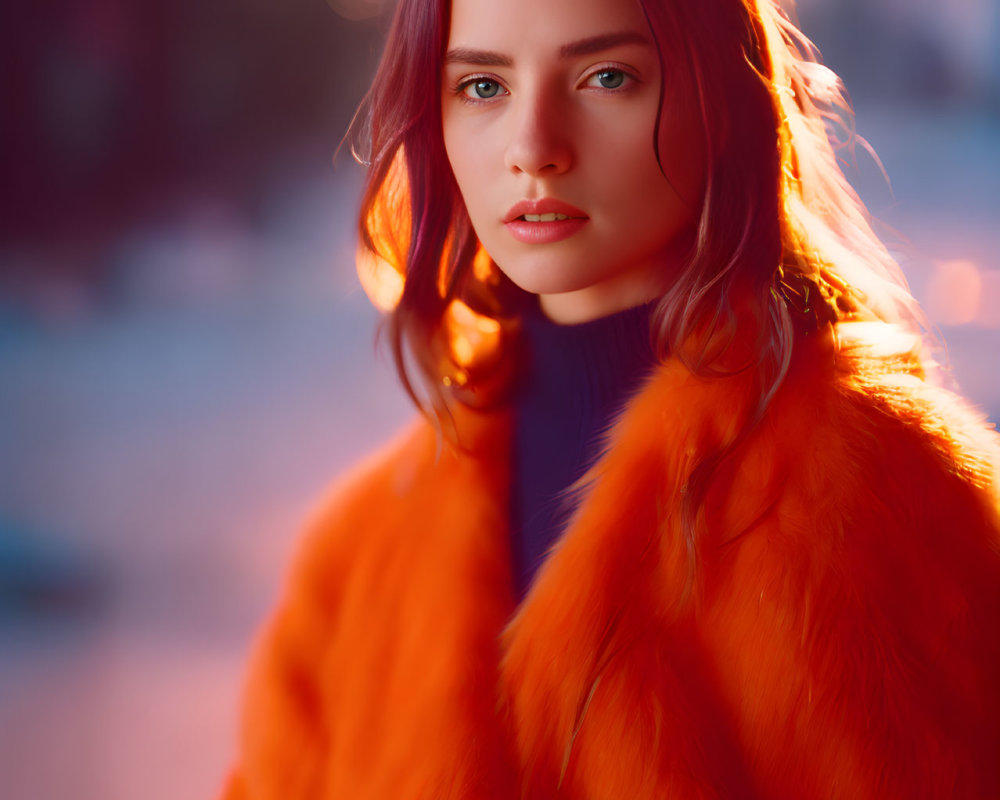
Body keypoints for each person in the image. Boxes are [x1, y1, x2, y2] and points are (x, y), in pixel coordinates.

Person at [222, 0, 1000, 797]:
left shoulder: (881, 494)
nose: (534, 149)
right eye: (483, 86)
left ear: (727, 101)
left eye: (606, 76)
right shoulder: (358, 560)